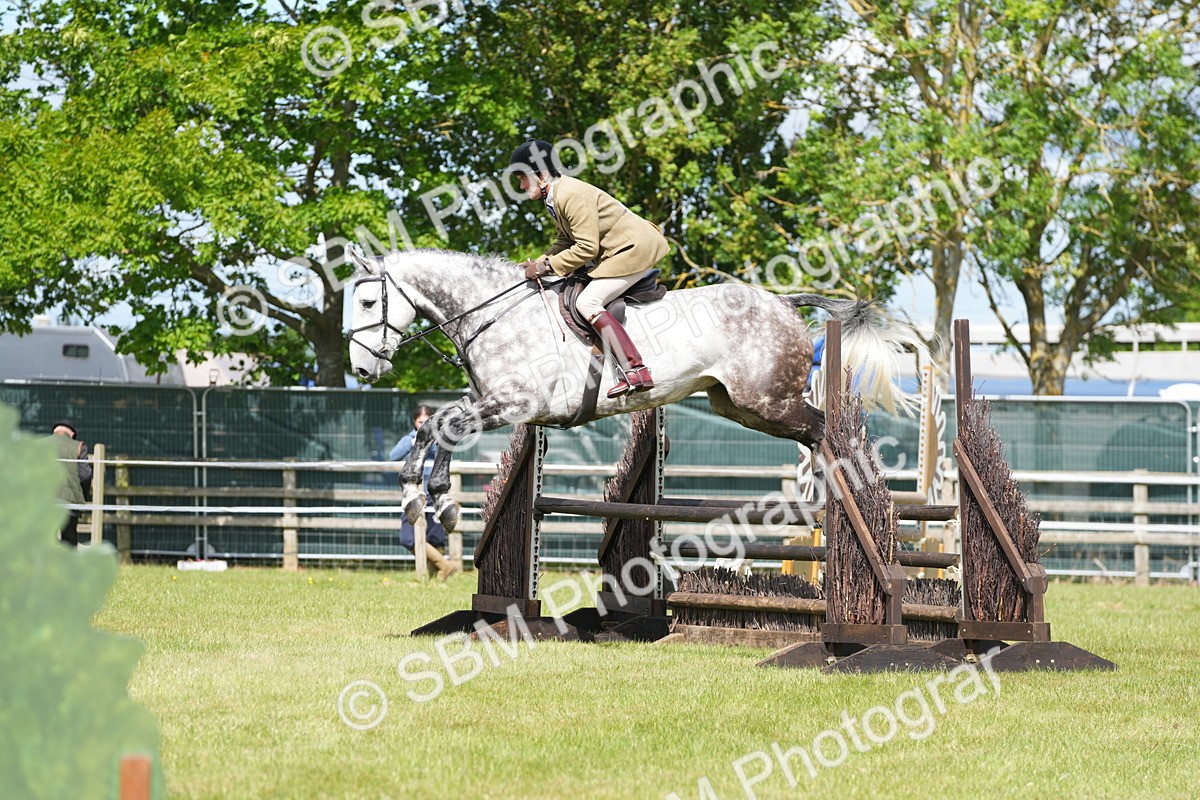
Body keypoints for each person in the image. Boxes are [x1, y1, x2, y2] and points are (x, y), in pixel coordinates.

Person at [509, 139, 670, 398]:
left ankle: (636, 370)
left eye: (523, 179)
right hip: (619, 249)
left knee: (587, 302)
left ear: (541, 174)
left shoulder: (570, 194)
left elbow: (586, 248)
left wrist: (546, 267)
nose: (521, 186)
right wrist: (538, 262)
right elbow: (564, 241)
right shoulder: (556, 195)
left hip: (634, 248)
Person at [391, 405, 459, 580]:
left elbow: (444, 458)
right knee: (408, 538)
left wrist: (432, 442)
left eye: (426, 421)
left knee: (435, 537)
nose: (423, 425)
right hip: (414, 495)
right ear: (414, 422)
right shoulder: (409, 438)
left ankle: (435, 578)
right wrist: (414, 443)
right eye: (420, 422)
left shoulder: (440, 439)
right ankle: (446, 566)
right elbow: (393, 455)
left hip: (433, 494)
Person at [46, 420, 91, 548]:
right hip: (69, 504)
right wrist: (81, 496)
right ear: (71, 435)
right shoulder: (79, 447)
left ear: (54, 432)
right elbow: (85, 475)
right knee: (69, 541)